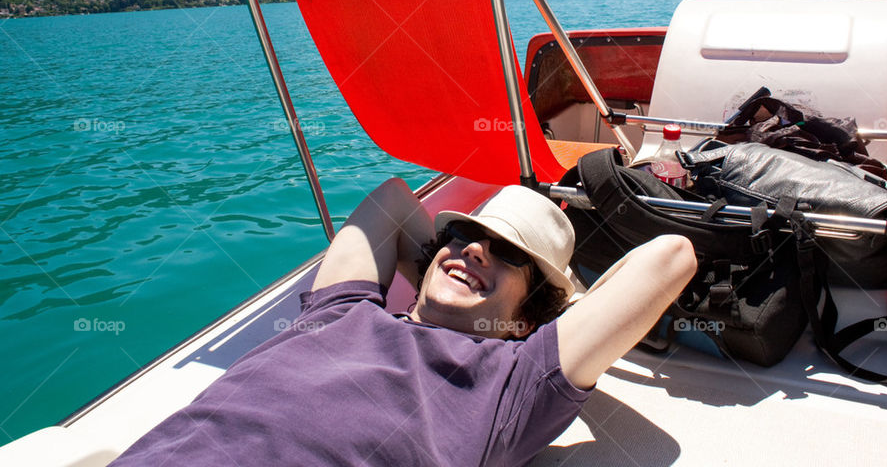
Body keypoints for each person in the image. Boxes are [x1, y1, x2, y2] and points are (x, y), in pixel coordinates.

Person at [111, 179, 695, 466]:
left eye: (507, 253)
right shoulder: (342, 311)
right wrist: (448, 276)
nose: (475, 251)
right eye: (466, 237)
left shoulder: (513, 383)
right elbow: (390, 198)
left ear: (531, 316)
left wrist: (542, 323)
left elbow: (672, 255)